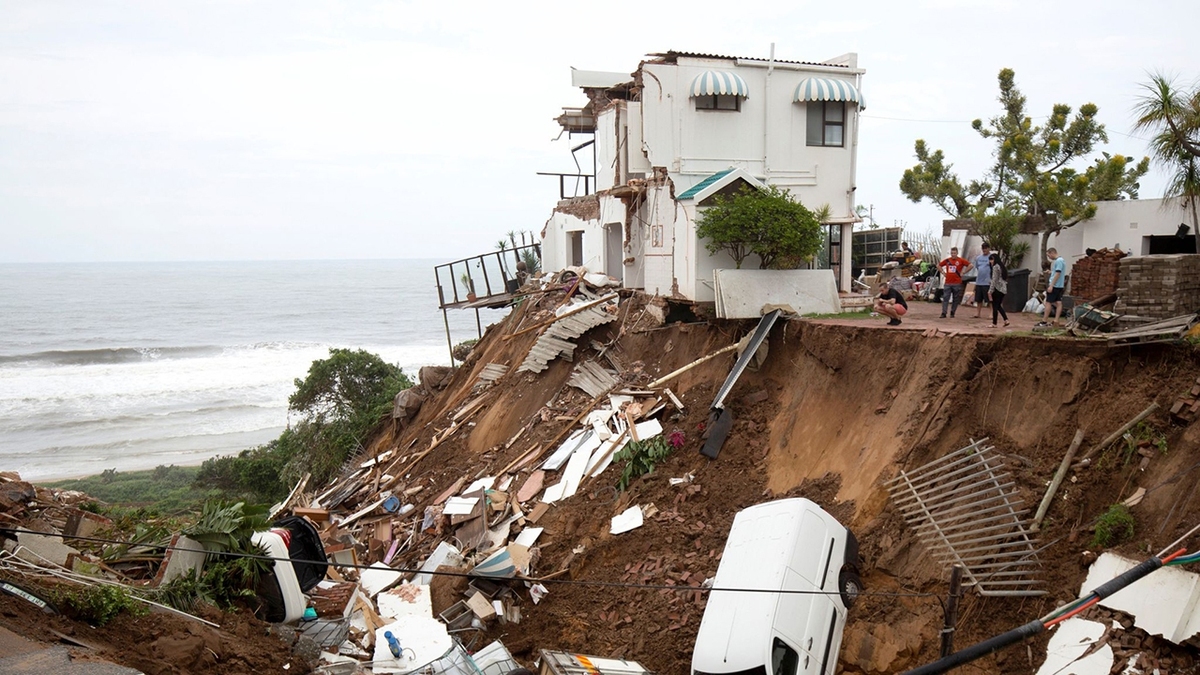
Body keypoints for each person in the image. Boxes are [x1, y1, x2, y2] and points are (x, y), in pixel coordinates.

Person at [937, 246, 970, 318]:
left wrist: (964, 272)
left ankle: (953, 311)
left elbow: (970, 265)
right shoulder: (947, 260)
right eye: (952, 253)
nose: (953, 255)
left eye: (954, 253)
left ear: (957, 253)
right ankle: (944, 312)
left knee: (956, 298)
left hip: (957, 282)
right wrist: (943, 272)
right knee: (946, 298)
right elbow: (939, 265)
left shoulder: (961, 260)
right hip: (948, 282)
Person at [1039, 248, 1067, 326]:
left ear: (1052, 253)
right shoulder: (1062, 260)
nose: (1049, 258)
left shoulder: (1058, 261)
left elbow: (1058, 274)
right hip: (1059, 285)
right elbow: (1057, 272)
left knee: (1048, 302)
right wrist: (1051, 272)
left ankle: (1044, 321)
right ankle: (1056, 320)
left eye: (1048, 255)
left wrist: (1051, 285)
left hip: (1055, 285)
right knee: (1058, 302)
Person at [970, 242, 992, 318]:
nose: (984, 250)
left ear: (989, 248)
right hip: (979, 281)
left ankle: (991, 313)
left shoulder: (992, 257)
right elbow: (977, 267)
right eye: (983, 248)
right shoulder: (979, 258)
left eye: (986, 248)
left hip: (988, 282)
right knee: (979, 299)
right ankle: (978, 313)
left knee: (989, 299)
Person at [988, 253, 1010, 328]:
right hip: (1003, 289)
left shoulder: (995, 267)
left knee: (995, 306)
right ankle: (1006, 319)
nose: (990, 261)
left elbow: (994, 279)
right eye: (990, 260)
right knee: (998, 306)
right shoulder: (1001, 266)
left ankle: (994, 323)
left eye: (992, 259)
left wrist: (990, 290)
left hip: (997, 288)